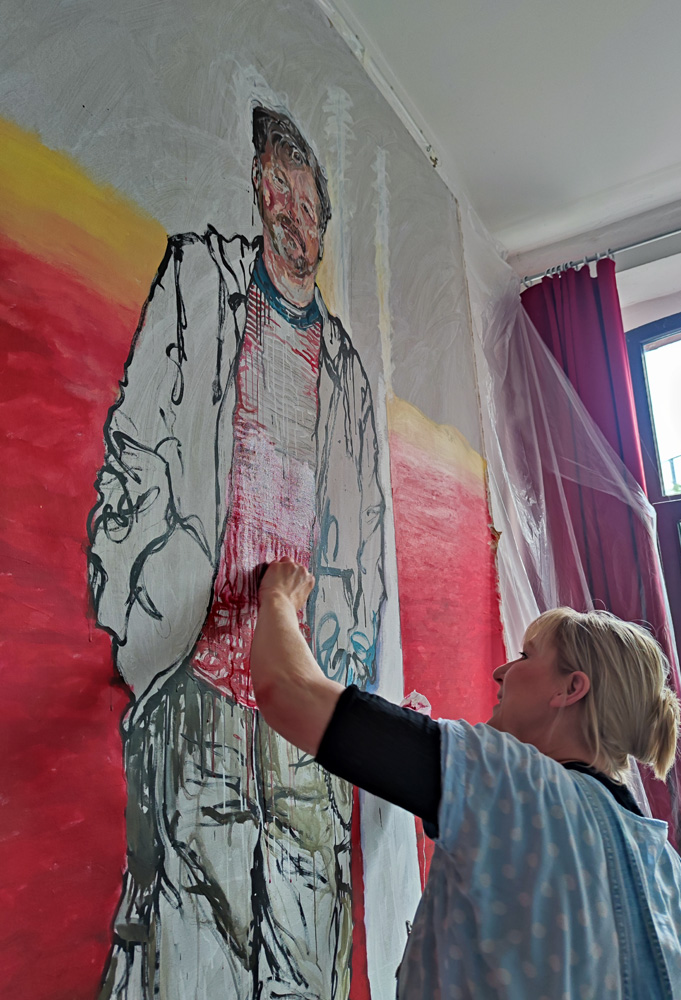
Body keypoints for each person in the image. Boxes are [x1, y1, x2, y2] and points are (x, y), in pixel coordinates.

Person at [88, 107, 385, 999]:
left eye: (306, 204)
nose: (290, 217)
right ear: (257, 197)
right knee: (187, 943)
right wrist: (138, 604)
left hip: (303, 699)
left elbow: (366, 535)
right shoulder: (199, 285)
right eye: (275, 194)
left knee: (305, 934)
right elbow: (134, 448)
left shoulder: (346, 370)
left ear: (325, 221)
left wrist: (346, 666)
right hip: (198, 687)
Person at [251, 557, 681, 1000]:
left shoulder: (509, 778)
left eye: (525, 656)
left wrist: (279, 598)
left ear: (570, 689)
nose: (501, 671)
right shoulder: (669, 873)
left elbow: (289, 692)